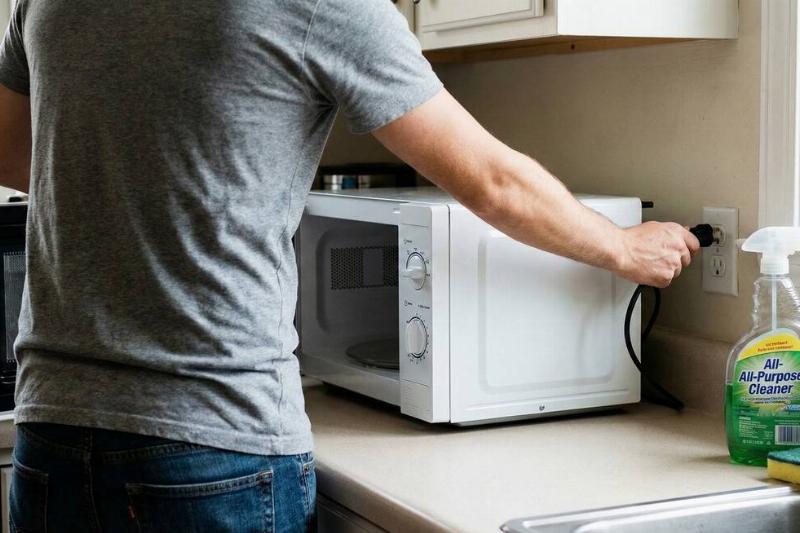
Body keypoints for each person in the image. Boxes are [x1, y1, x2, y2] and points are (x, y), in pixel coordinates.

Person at [0, 0, 699, 531]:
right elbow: (493, 180)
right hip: (212, 443)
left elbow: (13, 152)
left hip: (50, 431)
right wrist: (622, 247)